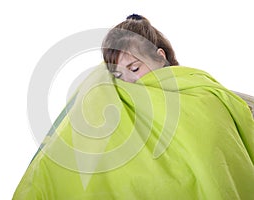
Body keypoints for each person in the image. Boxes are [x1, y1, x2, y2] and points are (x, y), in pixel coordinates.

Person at [13, 14, 254, 199]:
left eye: (135, 69)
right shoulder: (115, 99)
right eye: (118, 74)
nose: (129, 81)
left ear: (161, 56)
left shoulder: (204, 94)